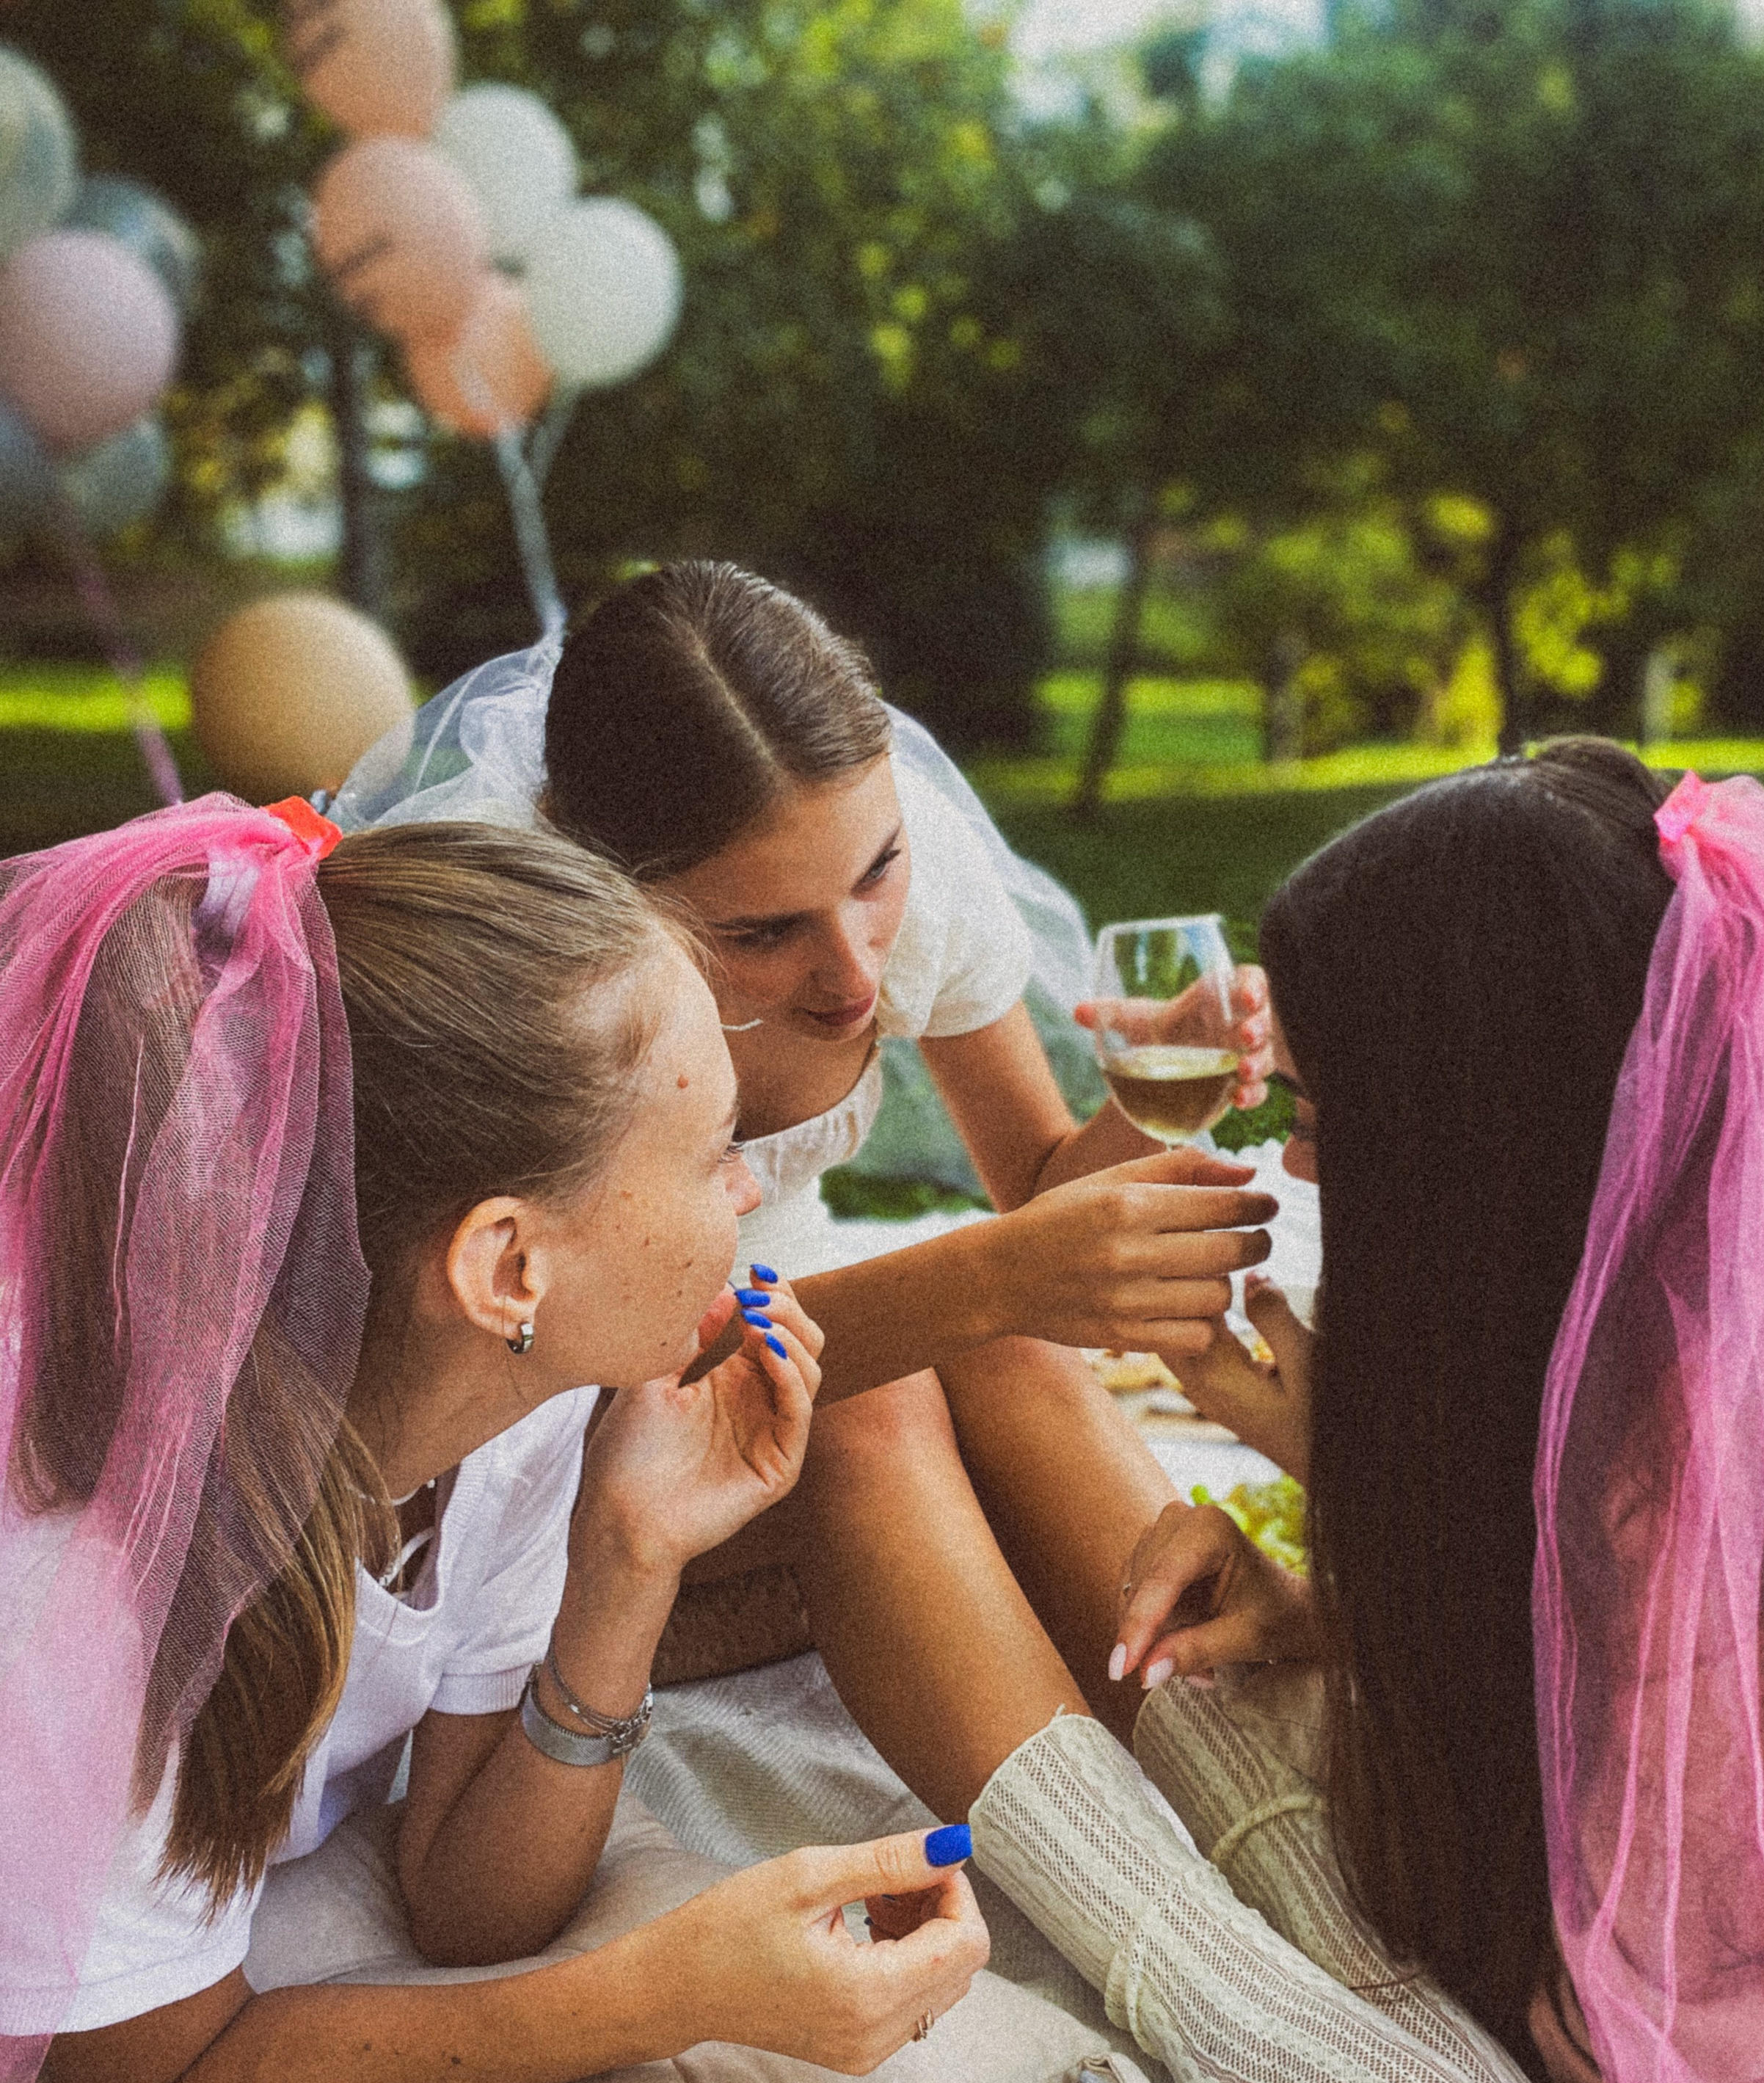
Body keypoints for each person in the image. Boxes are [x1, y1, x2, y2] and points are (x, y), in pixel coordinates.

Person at [1076, 742, 1764, 2083]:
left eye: (1323, 1106)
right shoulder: (1708, 1331)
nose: (1292, 1151)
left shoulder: (1697, 1444)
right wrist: (1331, 1580)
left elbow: (1661, 1977)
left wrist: (1349, 1488)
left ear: (1471, 1142)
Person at [0, 796, 987, 2083]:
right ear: (509, 1266)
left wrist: (629, 1560)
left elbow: (470, 1905)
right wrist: (667, 1992)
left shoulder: (521, 1398)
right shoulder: (89, 1580)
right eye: (713, 1154)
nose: (748, 1196)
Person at [340, 563, 1278, 1819]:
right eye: (763, 932)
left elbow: (1040, 1185)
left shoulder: (877, 863)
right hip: (547, 1459)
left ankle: (1279, 1811)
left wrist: (1155, 1101)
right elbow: (539, 1372)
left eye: (877, 872)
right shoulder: (515, 966)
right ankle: (1148, 1891)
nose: (853, 972)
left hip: (770, 1375)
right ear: (597, 877)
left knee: (1003, 1353)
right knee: (881, 1394)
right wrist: (990, 1279)